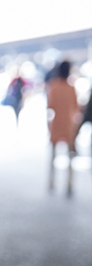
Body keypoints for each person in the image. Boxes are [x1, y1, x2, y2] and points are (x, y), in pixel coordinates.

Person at [47, 60, 81, 194]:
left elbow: (50, 106)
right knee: (70, 157)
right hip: (68, 125)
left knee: (53, 156)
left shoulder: (53, 86)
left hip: (56, 124)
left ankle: (51, 181)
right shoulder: (71, 88)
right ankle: (69, 184)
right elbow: (76, 107)